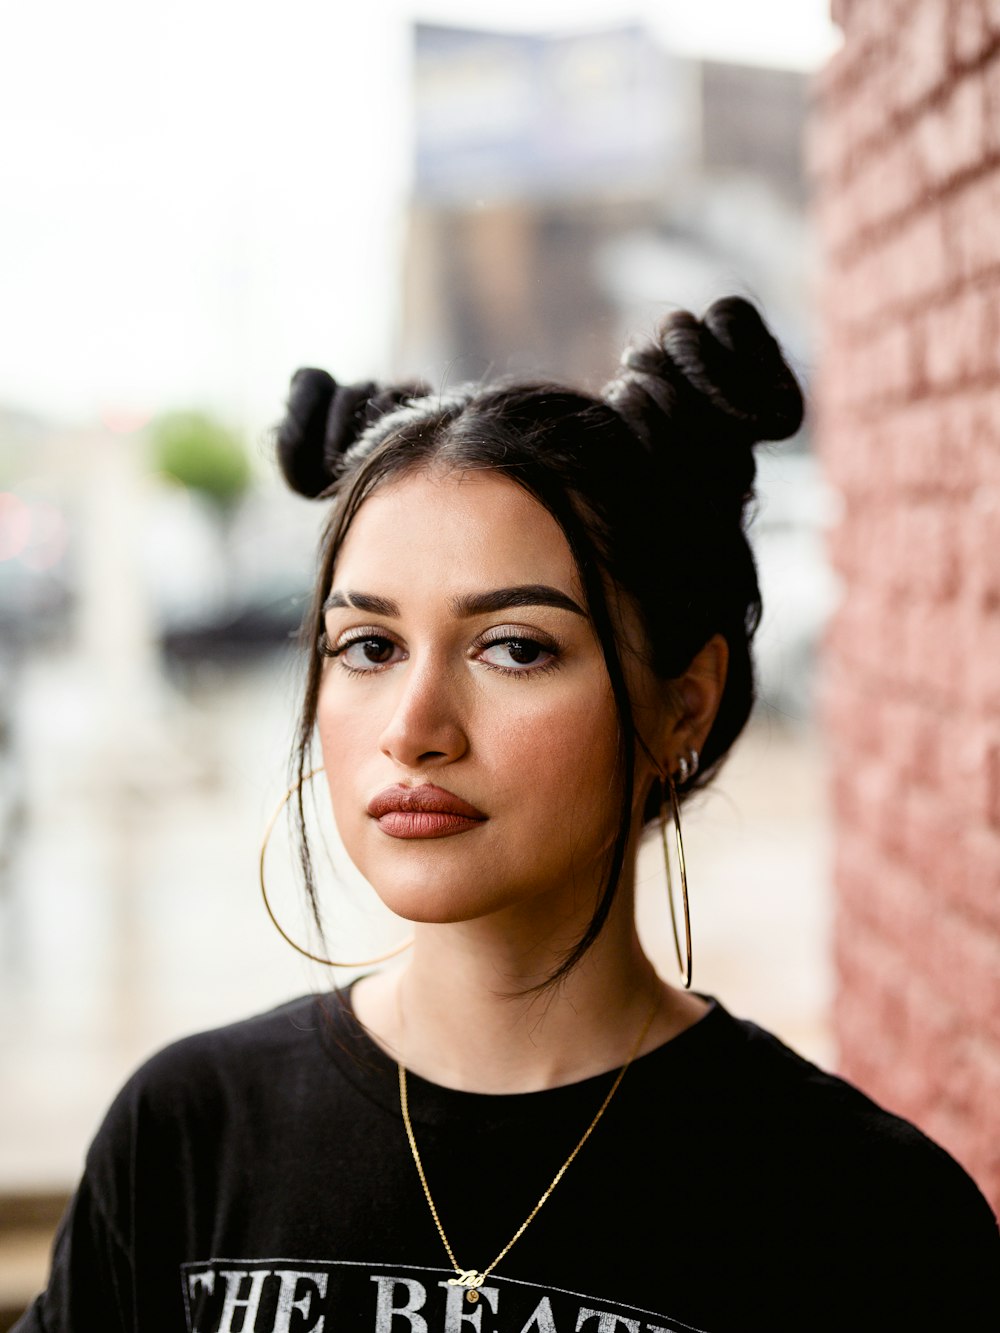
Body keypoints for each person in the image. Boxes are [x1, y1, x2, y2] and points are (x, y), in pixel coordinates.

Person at [15, 297, 1000, 1333]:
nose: (415, 727)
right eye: (368, 646)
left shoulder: (860, 1214)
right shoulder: (187, 1135)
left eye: (514, 646)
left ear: (682, 701)